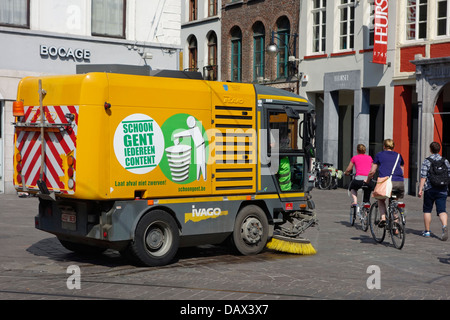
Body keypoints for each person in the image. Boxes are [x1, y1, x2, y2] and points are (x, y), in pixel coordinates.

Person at [366, 139, 405, 227]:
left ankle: (383, 218)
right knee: (394, 200)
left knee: (381, 199)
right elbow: (402, 169)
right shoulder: (399, 155)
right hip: (399, 182)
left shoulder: (379, 155)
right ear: (393, 146)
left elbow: (372, 171)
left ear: (384, 146)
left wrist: (367, 180)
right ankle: (396, 224)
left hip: (386, 183)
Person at [418, 142, 449, 241]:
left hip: (429, 189)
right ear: (439, 149)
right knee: (442, 210)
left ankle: (427, 231)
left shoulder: (427, 161)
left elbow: (423, 177)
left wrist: (420, 189)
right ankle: (444, 226)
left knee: (427, 210)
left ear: (430, 149)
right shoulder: (445, 161)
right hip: (442, 189)